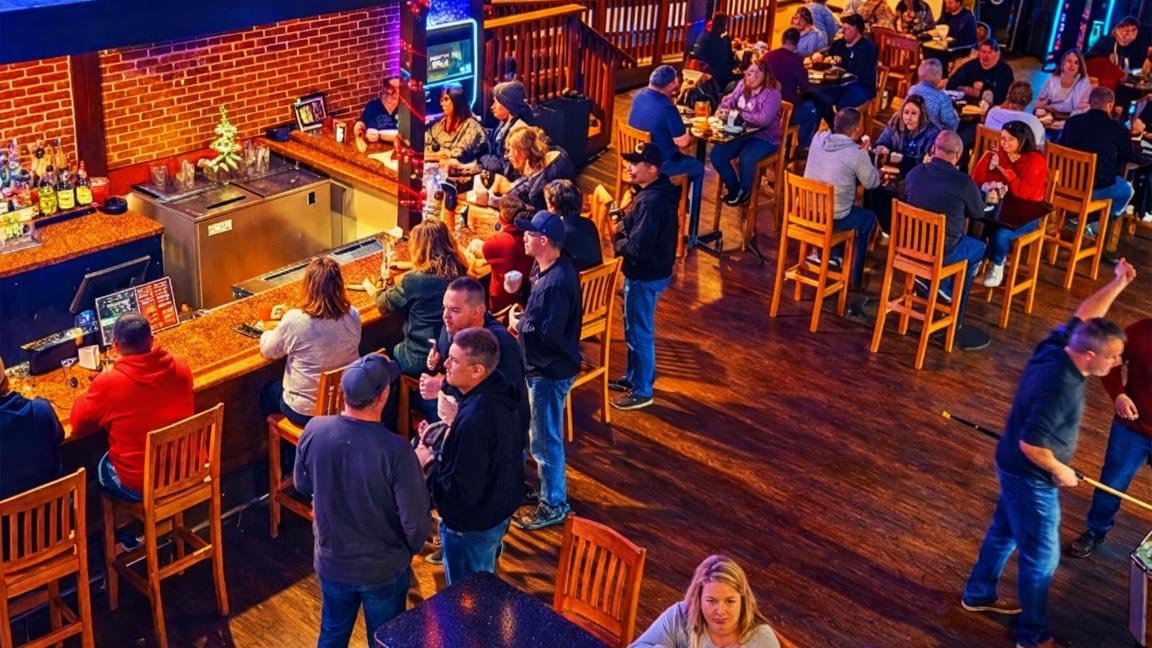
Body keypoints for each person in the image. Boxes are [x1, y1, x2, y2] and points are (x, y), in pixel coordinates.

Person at [962, 260, 1136, 648]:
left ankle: (978, 594)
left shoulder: (1059, 346)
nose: (1118, 363)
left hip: (1010, 463)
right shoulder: (1063, 386)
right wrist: (1062, 472)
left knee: (1004, 531)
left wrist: (1119, 283)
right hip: (1030, 476)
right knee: (1042, 558)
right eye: (1113, 358)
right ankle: (1034, 637)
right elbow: (1033, 444)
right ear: (1090, 357)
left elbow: (1085, 315)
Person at [294, 353, 430, 648]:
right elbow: (416, 527)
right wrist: (403, 553)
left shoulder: (315, 429)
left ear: (344, 393)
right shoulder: (396, 451)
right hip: (382, 569)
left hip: (332, 562)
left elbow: (302, 485)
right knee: (383, 640)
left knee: (332, 633)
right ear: (383, 396)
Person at [418, 327, 526, 583]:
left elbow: (461, 493)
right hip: (498, 508)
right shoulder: (500, 391)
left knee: (467, 598)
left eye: (454, 360)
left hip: (471, 526)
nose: (445, 364)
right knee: (484, 579)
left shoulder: (474, 421)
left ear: (477, 370)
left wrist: (428, 464)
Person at [71, 313, 194, 508]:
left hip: (140, 483)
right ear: (152, 340)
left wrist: (93, 387)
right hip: (188, 469)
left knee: (99, 466)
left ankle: (115, 534)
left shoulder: (107, 384)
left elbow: (78, 425)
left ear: (116, 347)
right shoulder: (182, 368)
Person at [509, 210, 582, 531]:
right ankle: (549, 494)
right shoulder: (551, 267)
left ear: (544, 241)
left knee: (544, 441)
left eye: (529, 233)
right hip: (547, 366)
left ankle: (554, 504)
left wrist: (518, 324)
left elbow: (547, 333)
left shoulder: (555, 283)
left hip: (549, 372)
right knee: (541, 436)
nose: (523, 236)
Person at [1067, 317, 1152, 558]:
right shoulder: (1138, 331)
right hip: (1131, 428)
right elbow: (1111, 363)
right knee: (1111, 485)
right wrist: (1118, 395)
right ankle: (1095, 531)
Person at [609, 143, 680, 411]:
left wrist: (617, 237)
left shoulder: (651, 202)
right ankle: (633, 377)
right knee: (633, 329)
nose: (628, 166)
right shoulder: (651, 192)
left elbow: (637, 248)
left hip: (644, 275)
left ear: (652, 169)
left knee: (639, 332)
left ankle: (642, 390)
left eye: (634, 163)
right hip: (648, 273)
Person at [258, 256, 362, 426]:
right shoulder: (353, 315)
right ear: (339, 285)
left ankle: (288, 450)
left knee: (267, 392)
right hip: (344, 404)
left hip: (306, 412)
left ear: (308, 286)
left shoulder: (295, 321)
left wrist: (266, 329)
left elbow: (268, 350)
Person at [365, 219, 468, 376]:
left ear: (419, 248)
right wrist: (407, 266)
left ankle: (403, 398)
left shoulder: (415, 280)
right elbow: (433, 270)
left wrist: (371, 288)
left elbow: (385, 301)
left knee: (394, 347)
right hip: (449, 350)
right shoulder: (458, 268)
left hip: (419, 357)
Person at [904, 130, 986, 302]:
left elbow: (903, 193)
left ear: (933, 149)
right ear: (958, 154)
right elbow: (978, 213)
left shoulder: (915, 173)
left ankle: (931, 281)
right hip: (944, 251)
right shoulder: (964, 183)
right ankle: (951, 296)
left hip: (910, 246)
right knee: (978, 248)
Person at [630, 555, 782, 648]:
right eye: (711, 601)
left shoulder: (761, 640)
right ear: (699, 599)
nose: (721, 611)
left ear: (743, 599)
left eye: (730, 601)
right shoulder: (680, 617)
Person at [803, 107, 879, 287]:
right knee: (867, 219)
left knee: (842, 202)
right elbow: (871, 183)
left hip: (807, 212)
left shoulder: (817, 139)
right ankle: (855, 279)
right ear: (858, 129)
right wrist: (867, 156)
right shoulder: (857, 153)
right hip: (833, 218)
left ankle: (831, 254)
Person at [970, 121, 1048, 287]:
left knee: (1001, 234)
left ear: (1023, 140)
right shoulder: (1001, 153)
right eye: (1002, 138)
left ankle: (996, 264)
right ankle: (976, 260)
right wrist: (987, 158)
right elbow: (976, 179)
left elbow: (1024, 192)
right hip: (1001, 210)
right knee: (978, 224)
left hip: (1027, 214)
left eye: (1010, 139)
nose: (1004, 143)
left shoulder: (1035, 160)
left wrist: (1002, 169)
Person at [628, 65, 704, 234]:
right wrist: (693, 134)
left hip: (635, 159)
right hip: (659, 165)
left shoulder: (639, 95)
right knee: (697, 167)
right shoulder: (667, 108)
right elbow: (683, 142)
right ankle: (691, 231)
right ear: (670, 86)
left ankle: (674, 199)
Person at [1062, 86, 1138, 238]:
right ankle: (1091, 224)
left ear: (1090, 102)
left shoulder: (1072, 122)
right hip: (1094, 189)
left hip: (1066, 185)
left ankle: (1079, 220)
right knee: (1126, 190)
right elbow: (1129, 156)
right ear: (1110, 105)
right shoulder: (1117, 128)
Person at [710, 59, 782, 206]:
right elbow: (729, 101)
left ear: (766, 74)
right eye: (750, 72)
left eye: (758, 72)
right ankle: (734, 188)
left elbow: (763, 120)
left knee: (747, 156)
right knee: (717, 154)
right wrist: (724, 108)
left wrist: (739, 113)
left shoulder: (772, 94)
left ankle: (745, 191)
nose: (752, 76)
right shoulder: (742, 85)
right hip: (741, 133)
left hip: (765, 138)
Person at [870, 96, 940, 234]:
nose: (908, 117)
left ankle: (902, 231)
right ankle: (888, 228)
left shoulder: (931, 132)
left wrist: (915, 159)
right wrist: (881, 147)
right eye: (906, 112)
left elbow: (928, 159)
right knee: (874, 189)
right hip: (893, 172)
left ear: (921, 115)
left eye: (914, 113)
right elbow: (881, 142)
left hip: (917, 175)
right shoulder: (895, 122)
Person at [0, 357, 63, 500]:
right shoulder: (42, 410)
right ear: (6, 381)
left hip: (8, 522)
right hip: (58, 515)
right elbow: (59, 437)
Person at [811, 15, 878, 129]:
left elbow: (859, 74)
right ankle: (833, 129)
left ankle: (846, 135)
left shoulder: (867, 48)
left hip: (861, 86)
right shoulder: (839, 44)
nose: (844, 31)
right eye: (843, 28)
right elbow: (826, 52)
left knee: (843, 104)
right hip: (838, 85)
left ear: (857, 29)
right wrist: (822, 55)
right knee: (818, 96)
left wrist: (841, 63)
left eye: (847, 29)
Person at [489, 126, 575, 213]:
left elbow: (534, 211)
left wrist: (492, 201)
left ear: (523, 151)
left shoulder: (548, 176)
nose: (507, 156)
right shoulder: (537, 166)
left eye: (511, 150)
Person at [765, 28, 819, 148]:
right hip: (786, 109)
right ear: (797, 42)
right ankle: (803, 146)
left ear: (782, 39)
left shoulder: (768, 56)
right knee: (811, 112)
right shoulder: (796, 60)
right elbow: (805, 85)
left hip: (765, 105)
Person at [481, 194, 534, 312]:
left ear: (502, 215)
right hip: (526, 300)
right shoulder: (531, 236)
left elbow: (484, 250)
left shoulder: (497, 242)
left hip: (501, 306)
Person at [475, 80, 533, 177]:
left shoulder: (518, 130)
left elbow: (503, 167)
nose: (492, 107)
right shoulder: (502, 124)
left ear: (507, 104)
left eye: (495, 102)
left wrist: (483, 157)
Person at [545, 179, 602, 271]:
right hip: (597, 283)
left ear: (553, 206)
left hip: (574, 284)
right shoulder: (590, 224)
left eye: (547, 204)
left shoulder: (557, 232)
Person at [425, 84, 488, 165]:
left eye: (446, 99)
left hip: (463, 173)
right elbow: (424, 148)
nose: (442, 104)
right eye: (441, 100)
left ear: (457, 101)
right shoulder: (438, 126)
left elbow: (458, 155)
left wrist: (434, 155)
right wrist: (439, 155)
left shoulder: (472, 126)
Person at [947, 39, 1015, 106]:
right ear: (979, 53)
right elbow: (951, 83)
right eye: (983, 51)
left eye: (990, 52)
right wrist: (966, 90)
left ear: (998, 54)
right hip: (965, 104)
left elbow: (998, 98)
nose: (986, 56)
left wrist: (979, 92)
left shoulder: (1005, 71)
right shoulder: (971, 65)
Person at [985, 81, 1047, 147]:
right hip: (1014, 156)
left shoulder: (992, 112)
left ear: (1008, 96)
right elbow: (1039, 147)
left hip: (990, 155)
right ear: (1029, 101)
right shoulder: (1033, 122)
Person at [907, 58, 960, 132]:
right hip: (931, 140)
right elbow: (951, 125)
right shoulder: (942, 98)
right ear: (938, 75)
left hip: (908, 135)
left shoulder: (912, 91)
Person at [690, 13, 739, 91]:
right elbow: (699, 58)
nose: (725, 28)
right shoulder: (708, 38)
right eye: (724, 25)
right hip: (712, 75)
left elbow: (729, 57)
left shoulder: (723, 38)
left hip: (719, 73)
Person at [1036, 49, 1092, 116]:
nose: (1072, 65)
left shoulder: (1084, 83)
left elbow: (1084, 109)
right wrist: (1045, 106)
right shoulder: (1053, 80)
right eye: (1069, 61)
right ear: (1063, 63)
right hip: (1051, 117)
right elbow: (1038, 104)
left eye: (1076, 63)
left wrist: (1054, 106)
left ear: (1079, 67)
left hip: (1074, 119)